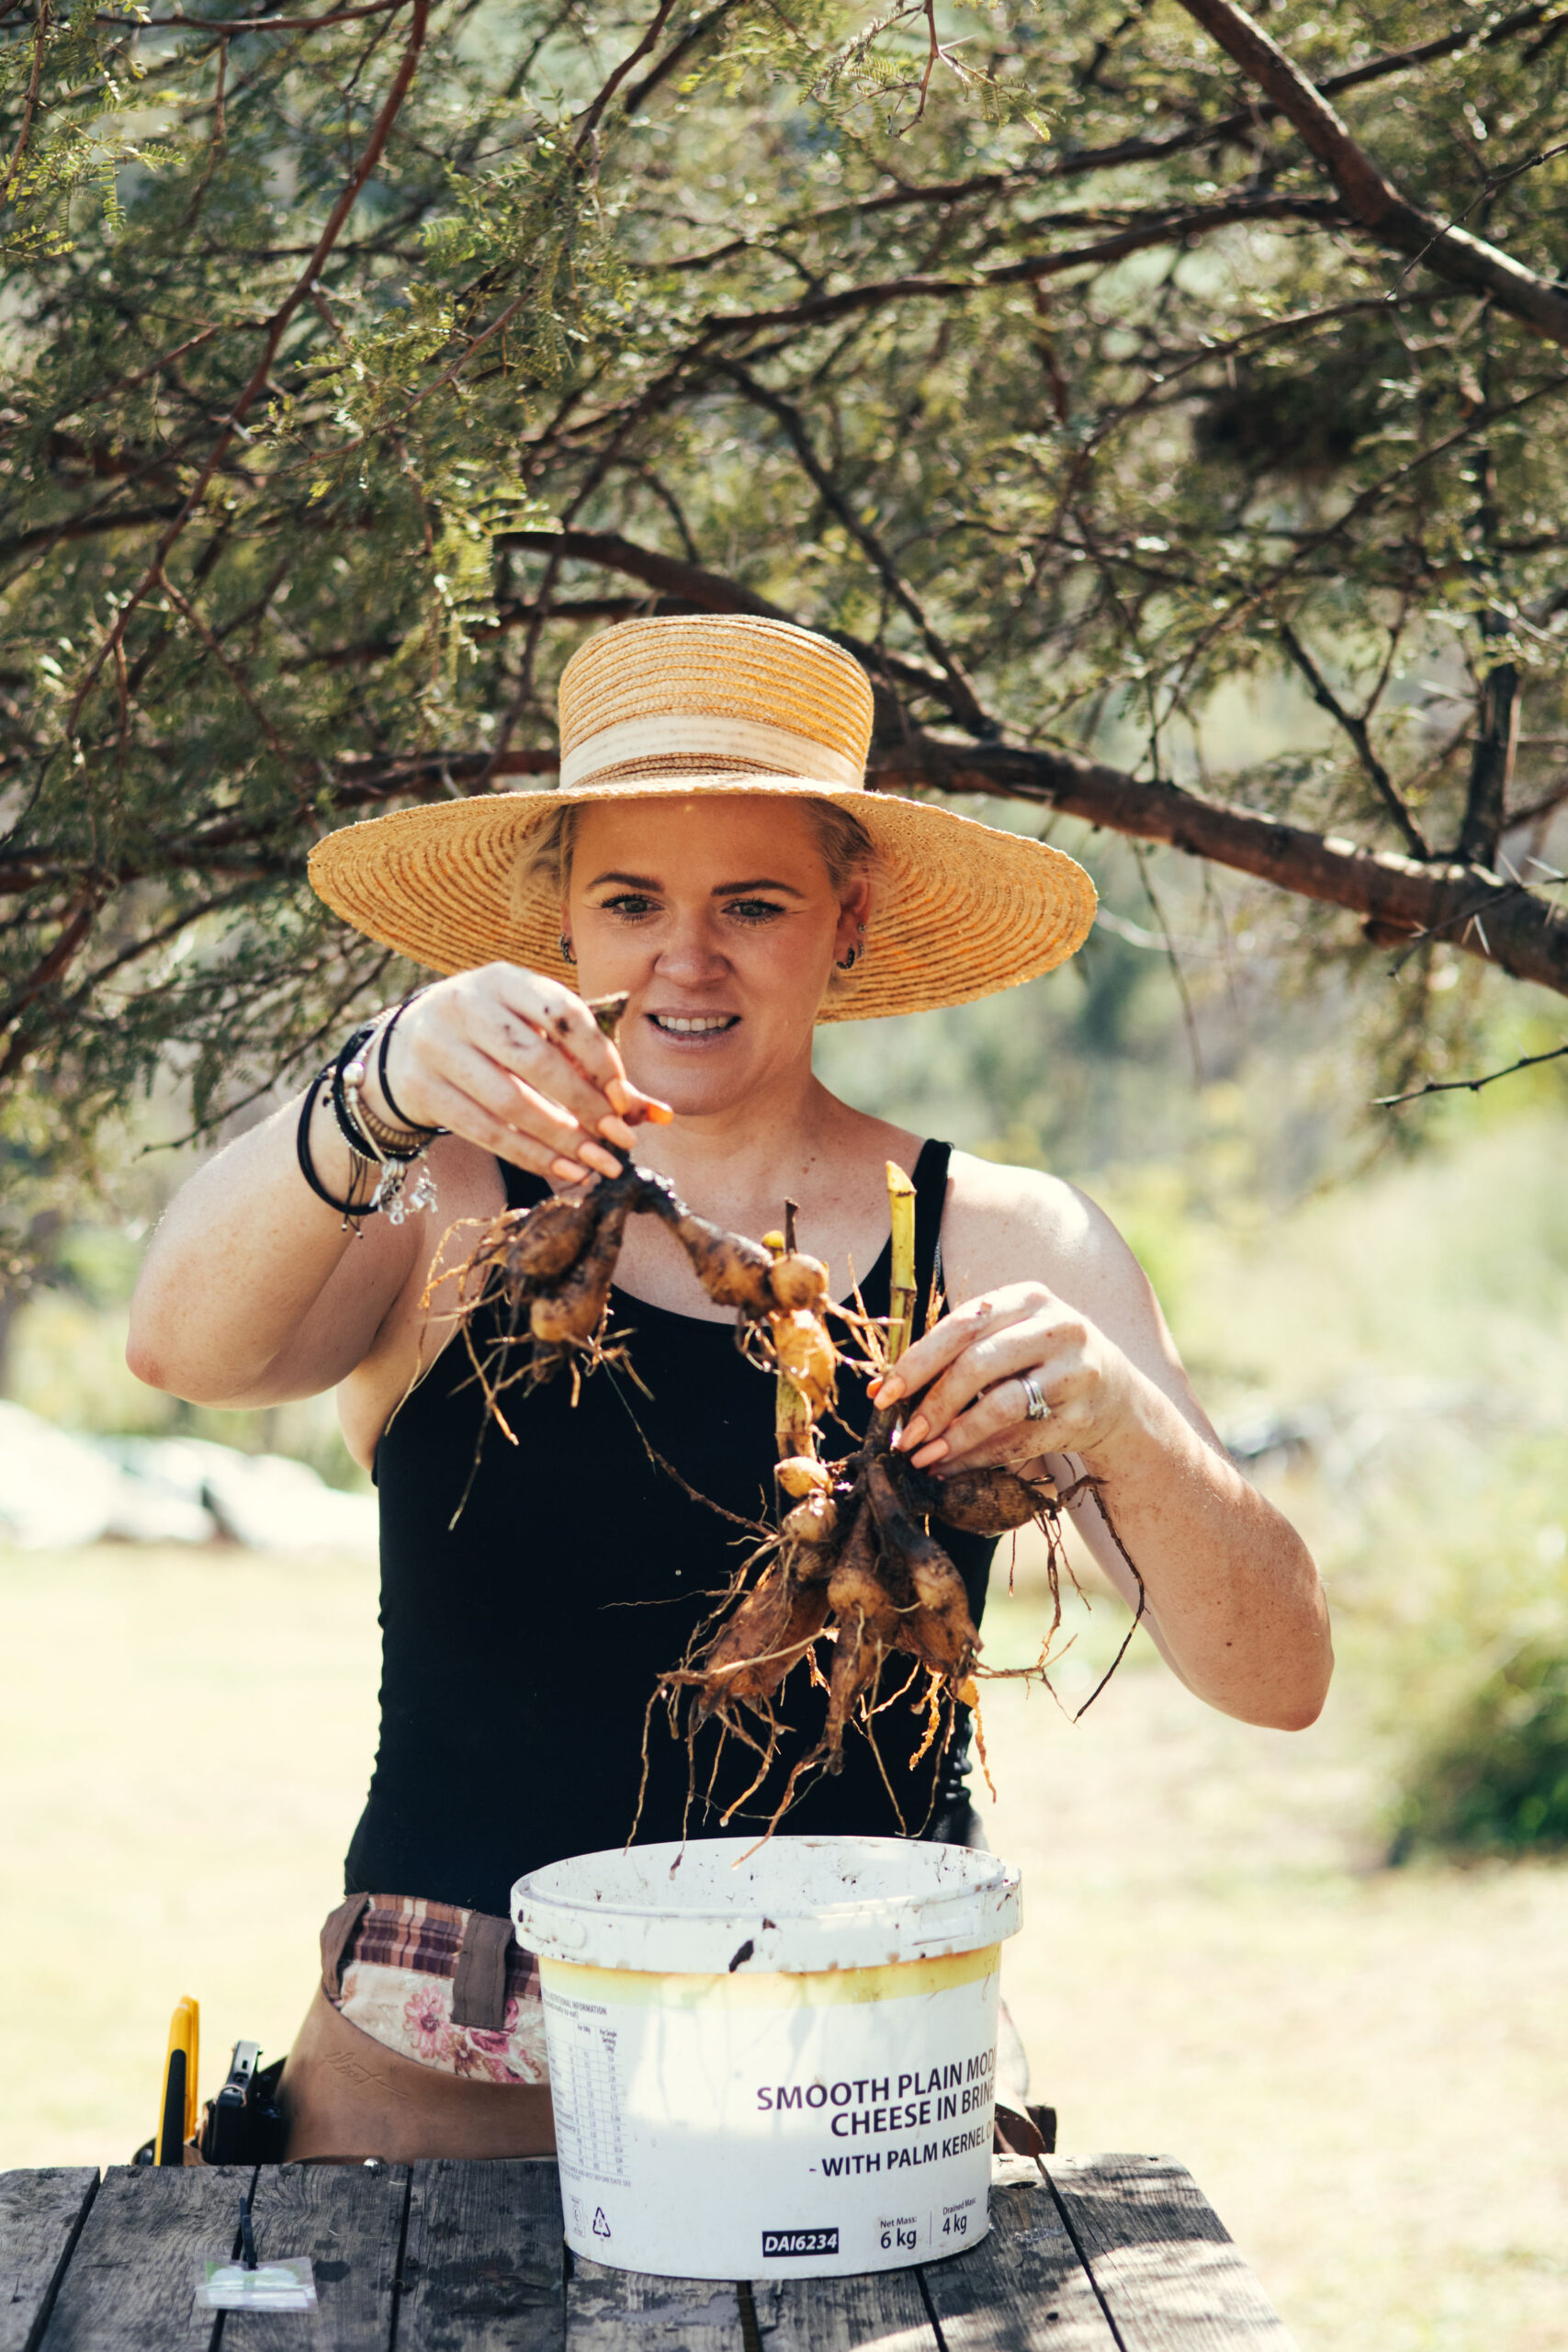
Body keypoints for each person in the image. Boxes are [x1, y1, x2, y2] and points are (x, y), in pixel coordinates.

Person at [128, 614, 1332, 2161]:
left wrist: (1123, 1421)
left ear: (848, 915)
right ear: (559, 920)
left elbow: (1277, 1679)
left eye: (751, 905)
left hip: (848, 2057)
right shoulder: (437, 1198)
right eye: (629, 901)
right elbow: (182, 1352)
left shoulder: (997, 1239)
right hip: (437, 2068)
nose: (683, 960)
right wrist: (381, 1078)